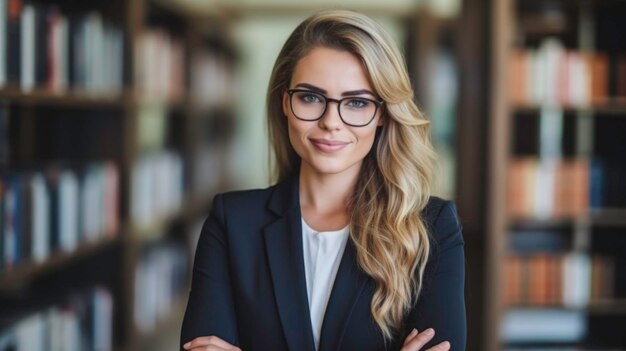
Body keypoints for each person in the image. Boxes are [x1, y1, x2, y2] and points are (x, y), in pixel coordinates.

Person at [180, 9, 466, 351]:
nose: (331, 121)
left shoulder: (432, 230)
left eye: (357, 102)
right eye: (311, 97)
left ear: (384, 115)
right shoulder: (232, 222)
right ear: (285, 103)